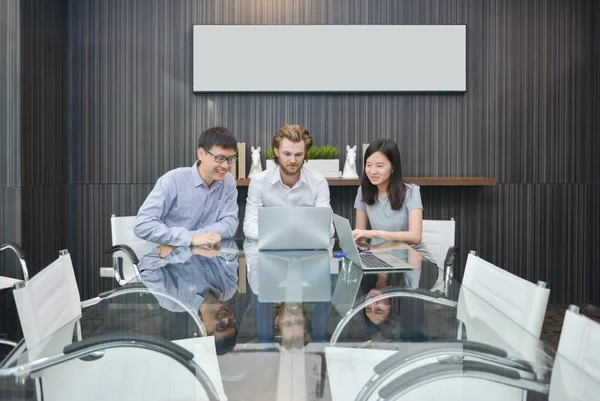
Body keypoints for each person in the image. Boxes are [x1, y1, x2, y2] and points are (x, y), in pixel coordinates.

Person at [134, 127, 239, 254]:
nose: (226, 166)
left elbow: (230, 224)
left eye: (230, 159)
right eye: (220, 158)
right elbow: (142, 224)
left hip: (206, 260)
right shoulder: (173, 180)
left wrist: (185, 239)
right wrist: (191, 239)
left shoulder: (228, 182)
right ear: (201, 154)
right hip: (165, 261)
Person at [243, 124, 331, 239]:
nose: (293, 160)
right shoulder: (259, 182)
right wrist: (284, 236)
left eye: (298, 155)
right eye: (287, 154)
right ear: (276, 151)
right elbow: (250, 226)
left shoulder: (318, 182)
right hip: (270, 249)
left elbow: (328, 228)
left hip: (307, 251)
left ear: (305, 153)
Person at [352, 139, 426, 253]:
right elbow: (359, 235)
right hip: (379, 253)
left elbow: (415, 237)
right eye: (368, 165)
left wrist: (375, 233)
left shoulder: (411, 192)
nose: (372, 171)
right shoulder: (363, 191)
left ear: (393, 167)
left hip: (411, 256)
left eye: (379, 166)